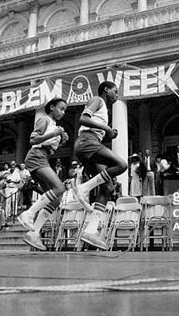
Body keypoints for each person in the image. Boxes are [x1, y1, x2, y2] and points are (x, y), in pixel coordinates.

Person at [72, 80, 128, 250]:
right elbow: (83, 119)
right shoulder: (98, 100)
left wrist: (109, 133)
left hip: (90, 142)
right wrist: (106, 127)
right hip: (87, 141)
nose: (117, 96)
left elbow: (98, 129)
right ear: (106, 90)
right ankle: (84, 188)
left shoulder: (104, 108)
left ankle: (90, 230)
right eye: (115, 91)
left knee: (108, 188)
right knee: (121, 165)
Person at [17, 98, 69, 251]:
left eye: (65, 110)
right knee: (59, 188)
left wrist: (61, 142)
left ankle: (34, 233)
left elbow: (50, 147)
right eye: (61, 108)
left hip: (44, 156)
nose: (63, 112)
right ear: (52, 107)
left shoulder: (54, 125)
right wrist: (55, 133)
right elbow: (33, 140)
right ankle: (28, 214)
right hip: (36, 156)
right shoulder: (44, 120)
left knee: (55, 201)